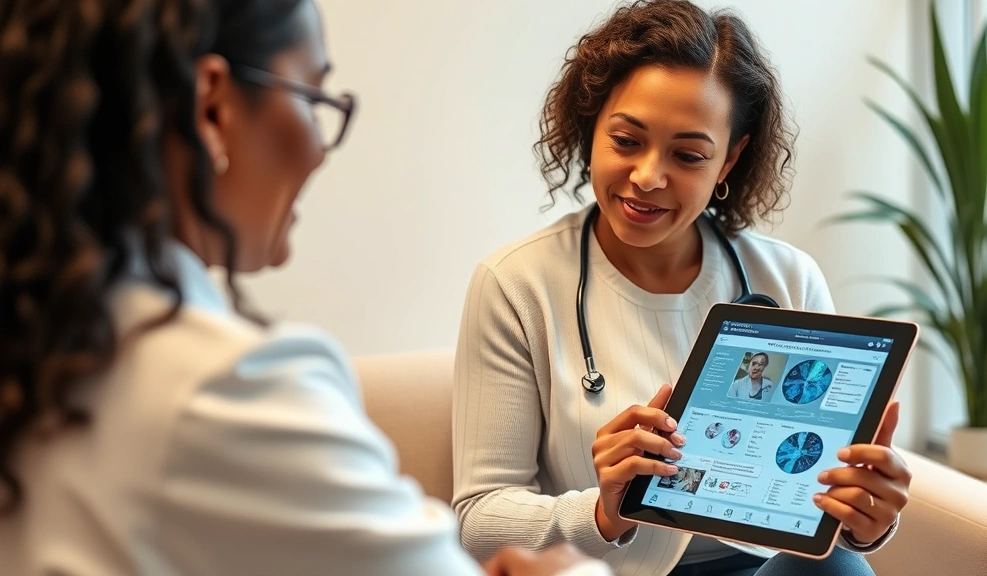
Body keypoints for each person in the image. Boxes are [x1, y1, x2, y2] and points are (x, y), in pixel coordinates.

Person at [0, 1, 610, 575]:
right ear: (212, 107)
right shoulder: (220, 390)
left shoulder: (43, 337)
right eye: (313, 97)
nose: (320, 146)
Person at [451, 1, 912, 575]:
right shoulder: (517, 285)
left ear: (729, 160)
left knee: (831, 568)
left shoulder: (788, 278)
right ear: (591, 126)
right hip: (601, 569)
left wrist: (863, 521)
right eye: (625, 140)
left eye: (688, 154)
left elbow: (816, 500)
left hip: (762, 568)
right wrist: (602, 514)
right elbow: (478, 519)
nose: (648, 176)